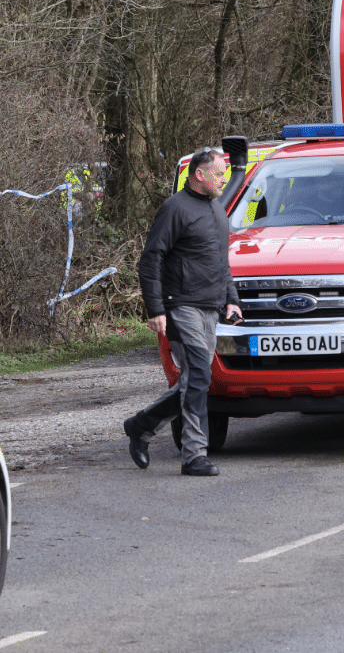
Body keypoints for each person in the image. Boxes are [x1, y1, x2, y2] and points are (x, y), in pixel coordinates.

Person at [123, 146, 242, 476]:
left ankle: (142, 424)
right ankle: (193, 455)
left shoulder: (216, 209)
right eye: (219, 173)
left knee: (196, 379)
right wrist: (155, 307)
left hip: (211, 307)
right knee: (200, 376)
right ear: (199, 175)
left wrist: (232, 299)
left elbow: (222, 262)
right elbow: (151, 259)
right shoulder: (175, 209)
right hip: (181, 306)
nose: (225, 179)